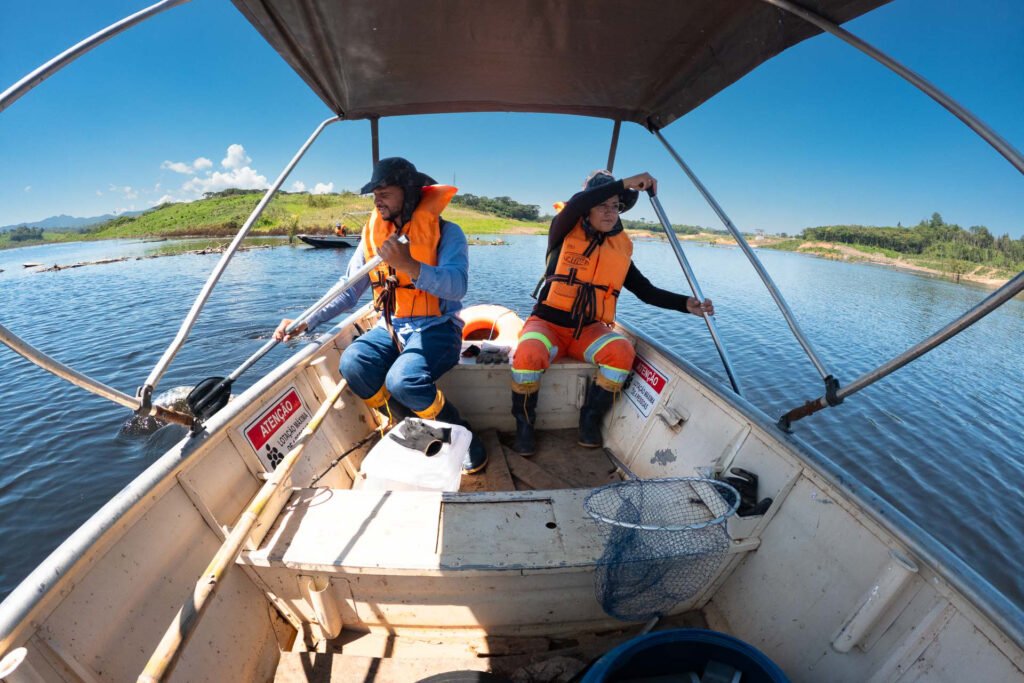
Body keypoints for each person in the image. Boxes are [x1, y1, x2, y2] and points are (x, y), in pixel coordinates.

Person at [275, 157, 487, 474]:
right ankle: (414, 433)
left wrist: (411, 267)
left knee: (404, 380)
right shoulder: (373, 233)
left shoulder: (448, 233)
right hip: (392, 327)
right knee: (353, 363)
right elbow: (348, 290)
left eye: (384, 192)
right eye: (375, 193)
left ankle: (463, 440)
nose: (377, 200)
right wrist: (306, 320)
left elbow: (457, 286)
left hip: (438, 329)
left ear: (409, 192)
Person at [509, 170, 715, 455]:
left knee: (621, 353)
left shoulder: (618, 251)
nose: (610, 212)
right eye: (602, 205)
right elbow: (577, 205)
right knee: (529, 354)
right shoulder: (563, 229)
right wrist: (626, 183)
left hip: (589, 331)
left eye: (615, 206)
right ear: (587, 209)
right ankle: (525, 426)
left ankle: (590, 419)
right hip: (548, 325)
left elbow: (646, 291)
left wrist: (685, 304)